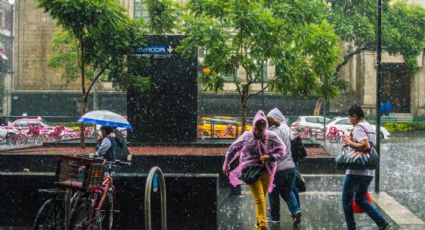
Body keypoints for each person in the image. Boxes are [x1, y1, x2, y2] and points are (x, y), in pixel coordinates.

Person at [222, 110, 286, 230]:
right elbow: (233, 149)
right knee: (260, 198)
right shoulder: (247, 136)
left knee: (262, 196)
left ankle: (258, 223)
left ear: (265, 127)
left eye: (261, 129)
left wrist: (270, 156)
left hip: (266, 171)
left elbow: (282, 149)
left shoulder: (271, 136)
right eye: (257, 128)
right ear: (254, 126)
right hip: (250, 171)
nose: (258, 132)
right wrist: (226, 163)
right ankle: (262, 224)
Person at [341, 105, 389, 230]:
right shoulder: (370, 127)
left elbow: (365, 146)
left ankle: (351, 227)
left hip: (356, 170)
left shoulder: (358, 127)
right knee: (360, 199)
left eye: (350, 117)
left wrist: (349, 142)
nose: (349, 120)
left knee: (346, 200)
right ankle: (381, 222)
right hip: (367, 172)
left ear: (355, 116)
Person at [266, 108, 302, 225]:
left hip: (278, 169)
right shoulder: (285, 130)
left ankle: (275, 218)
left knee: (273, 194)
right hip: (291, 167)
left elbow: (270, 152)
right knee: (288, 191)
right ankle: (296, 210)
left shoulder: (272, 134)